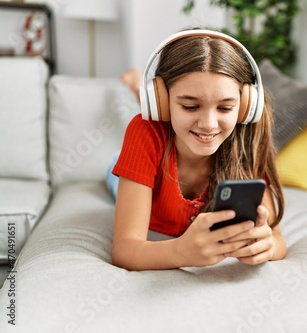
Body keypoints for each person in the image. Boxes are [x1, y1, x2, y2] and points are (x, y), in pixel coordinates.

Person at [111, 29, 286, 270]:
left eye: (225, 109)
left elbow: (277, 241)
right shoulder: (145, 131)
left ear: (245, 106)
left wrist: (267, 246)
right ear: (161, 101)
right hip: (134, 169)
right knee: (112, 170)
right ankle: (135, 83)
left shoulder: (246, 138)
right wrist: (179, 252)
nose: (209, 124)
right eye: (191, 106)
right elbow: (124, 250)